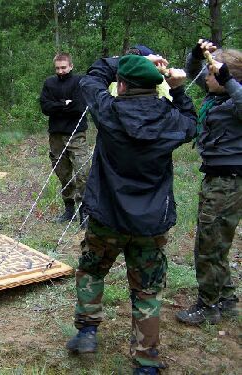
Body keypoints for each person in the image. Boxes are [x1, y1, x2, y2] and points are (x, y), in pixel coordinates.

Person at [65, 54, 197, 374]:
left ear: (121, 85)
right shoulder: (170, 118)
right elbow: (192, 124)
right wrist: (178, 90)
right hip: (150, 224)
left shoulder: (109, 111)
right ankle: (146, 361)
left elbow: (91, 79)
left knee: (92, 270)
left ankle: (86, 331)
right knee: (147, 288)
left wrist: (127, 59)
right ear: (157, 87)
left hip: (107, 217)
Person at [176, 40, 241, 325]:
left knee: (208, 245)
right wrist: (195, 53)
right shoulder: (218, 97)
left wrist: (226, 77)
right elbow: (193, 72)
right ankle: (226, 299)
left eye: (212, 74)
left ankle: (208, 306)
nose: (206, 77)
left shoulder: (235, 98)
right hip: (216, 178)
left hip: (228, 182)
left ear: (229, 78)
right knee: (217, 243)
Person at [40, 52, 89, 224]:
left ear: (71, 66)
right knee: (62, 172)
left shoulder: (79, 82)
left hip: (76, 134)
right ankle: (69, 210)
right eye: (57, 68)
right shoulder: (49, 83)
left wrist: (58, 106)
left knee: (82, 171)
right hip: (56, 135)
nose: (60, 71)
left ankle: (85, 211)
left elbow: (79, 106)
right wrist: (64, 104)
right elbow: (45, 107)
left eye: (64, 67)